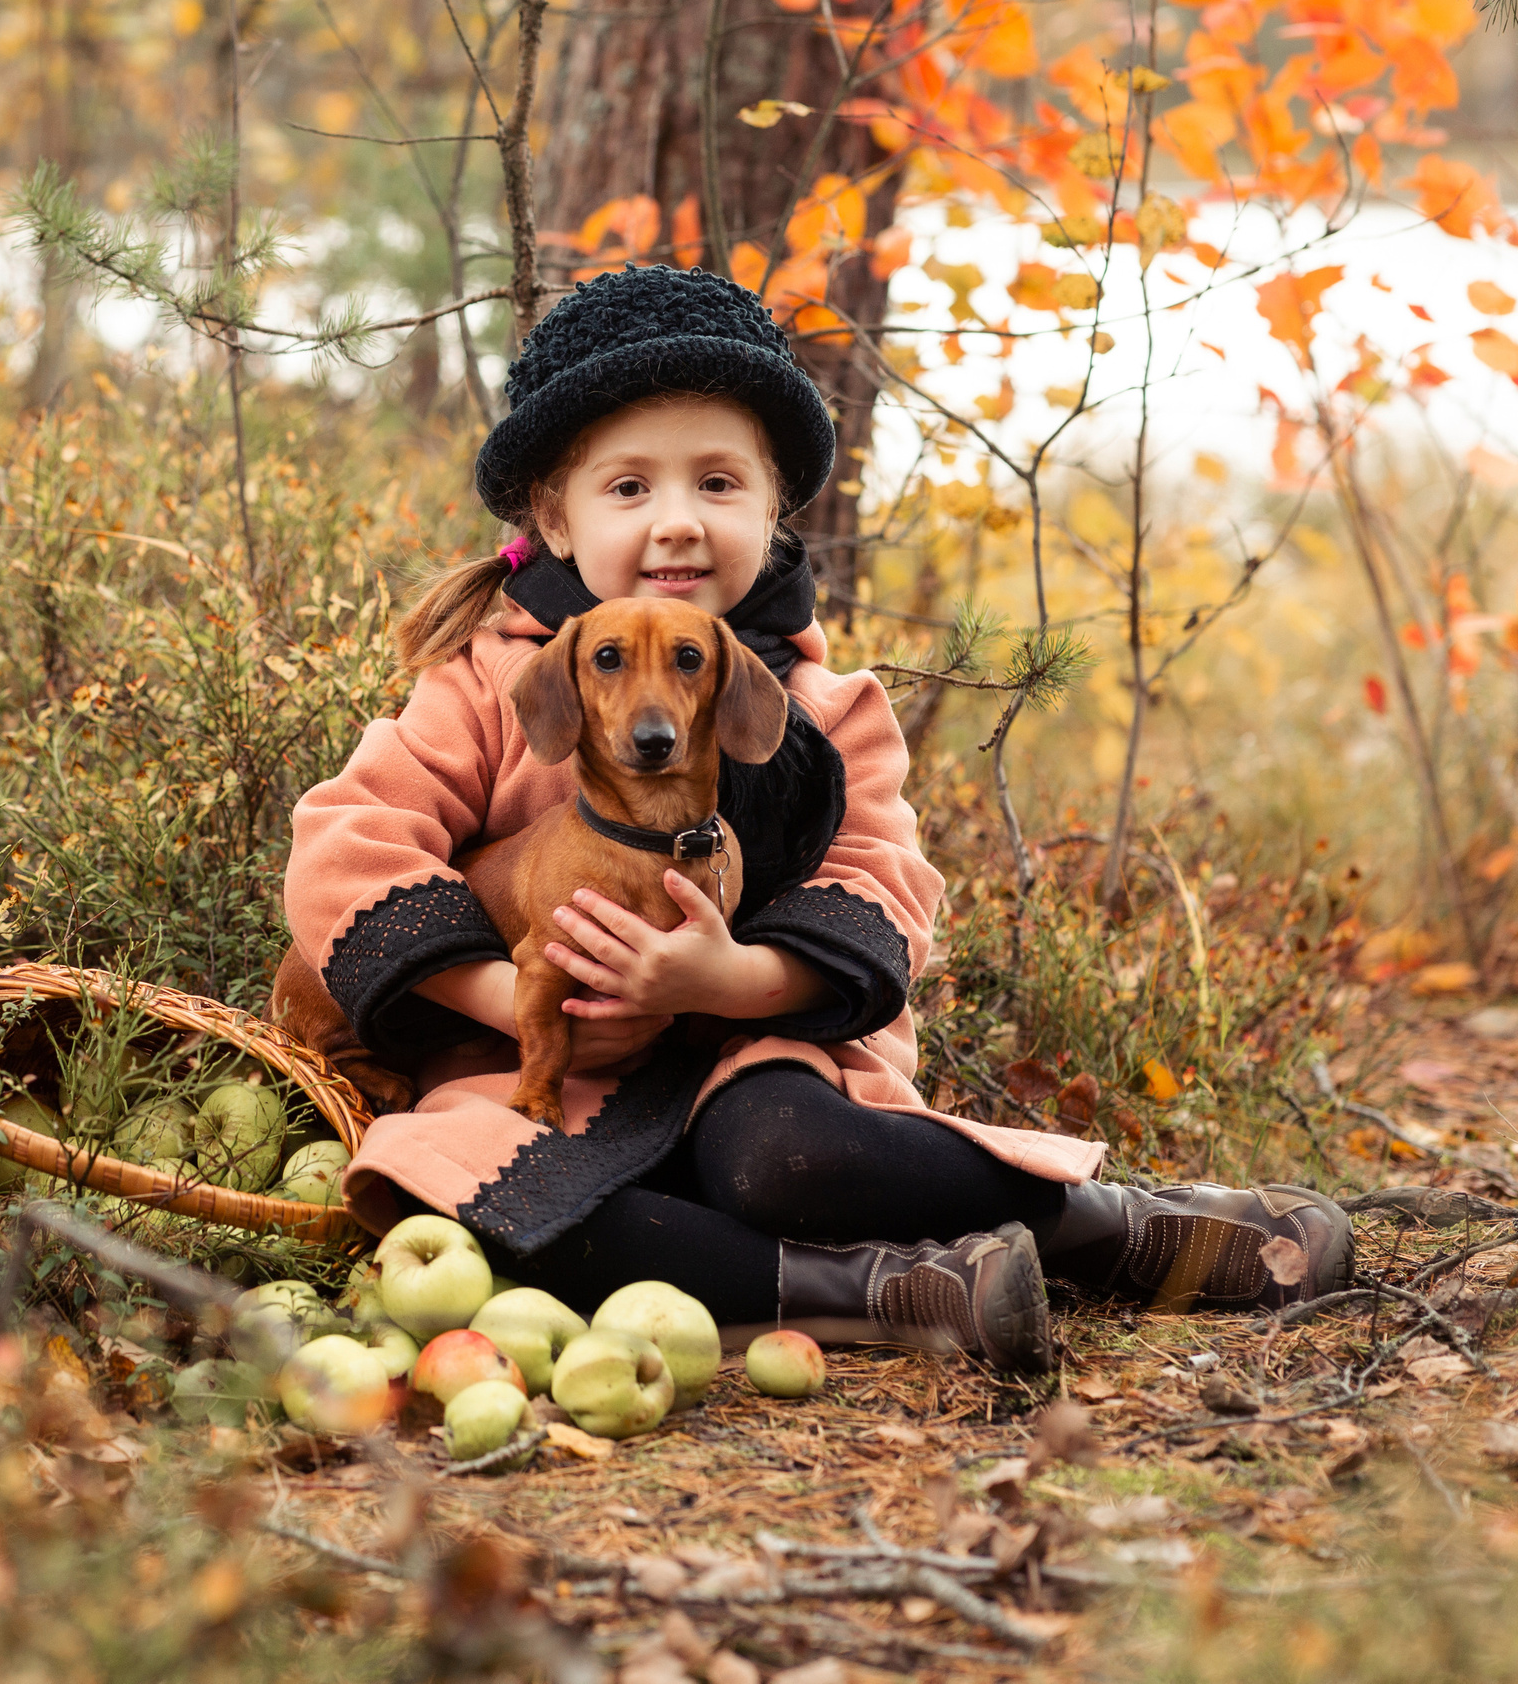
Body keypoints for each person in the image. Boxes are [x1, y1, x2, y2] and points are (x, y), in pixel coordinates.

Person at [283, 265, 1353, 1372]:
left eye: (716, 482)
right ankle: (882, 1294)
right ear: (553, 515)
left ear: (773, 504)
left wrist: (724, 983)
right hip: (538, 1073)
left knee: (786, 1159)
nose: (678, 523)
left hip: (760, 1051)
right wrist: (513, 1000)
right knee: (459, 1197)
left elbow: (880, 886)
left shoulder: (822, 707)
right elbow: (351, 843)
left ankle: (1111, 1229)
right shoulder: (489, 682)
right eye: (628, 488)